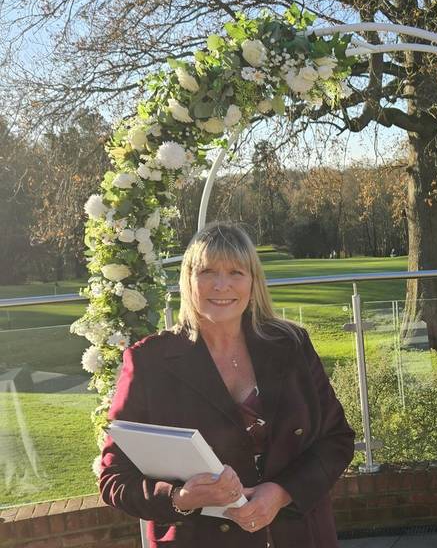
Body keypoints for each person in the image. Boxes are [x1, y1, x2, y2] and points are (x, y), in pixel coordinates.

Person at [99, 222, 356, 547]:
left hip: (299, 534)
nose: (221, 285)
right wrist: (180, 498)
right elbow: (114, 477)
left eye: (236, 272)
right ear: (188, 279)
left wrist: (280, 493)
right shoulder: (150, 362)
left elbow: (337, 440)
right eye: (207, 272)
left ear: (253, 282)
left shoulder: (291, 345)